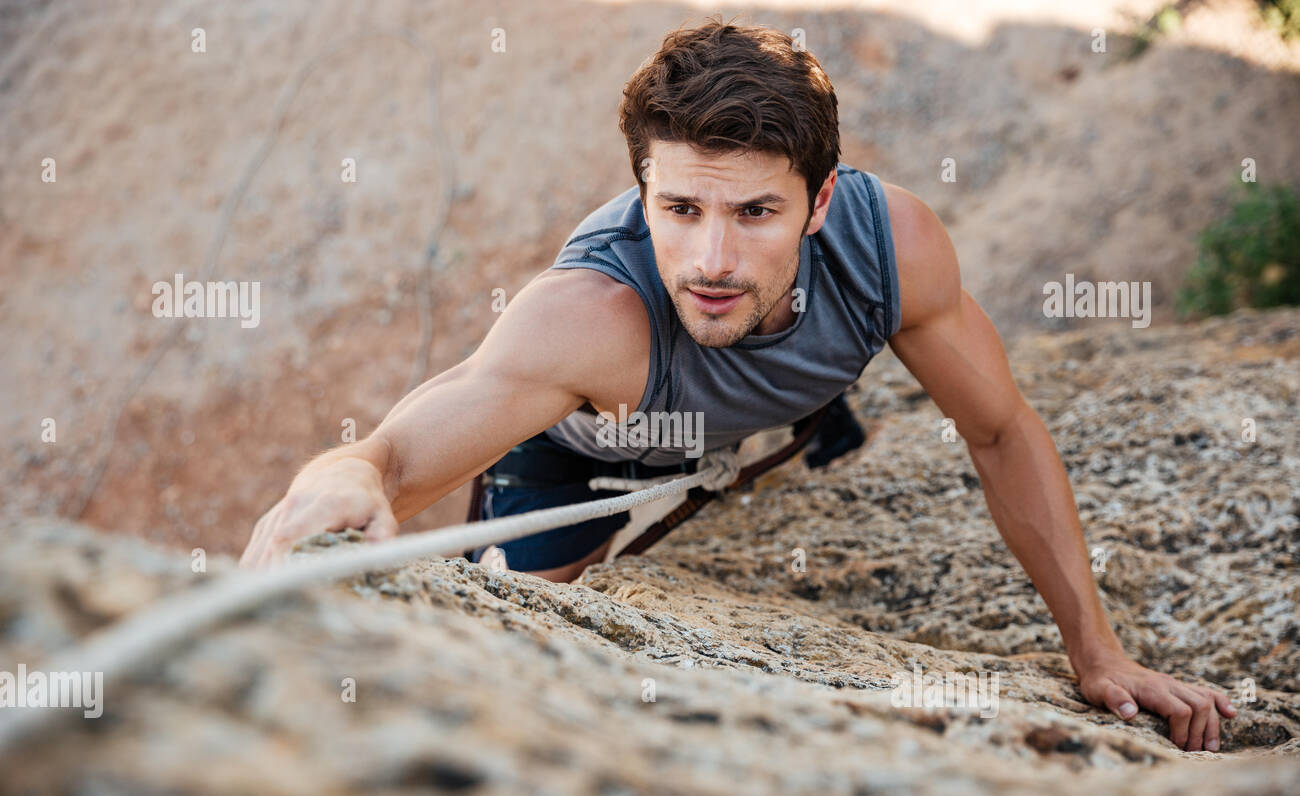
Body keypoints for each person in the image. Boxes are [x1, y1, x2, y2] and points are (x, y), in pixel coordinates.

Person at [240, 17, 1235, 752]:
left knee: (807, 360)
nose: (710, 256)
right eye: (678, 208)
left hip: (781, 387)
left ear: (821, 202)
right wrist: (344, 482)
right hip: (587, 457)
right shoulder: (591, 318)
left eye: (756, 210)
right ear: (642, 194)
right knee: (525, 650)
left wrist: (1096, 654)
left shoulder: (890, 246)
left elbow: (1001, 431)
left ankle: (809, 405)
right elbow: (395, 454)